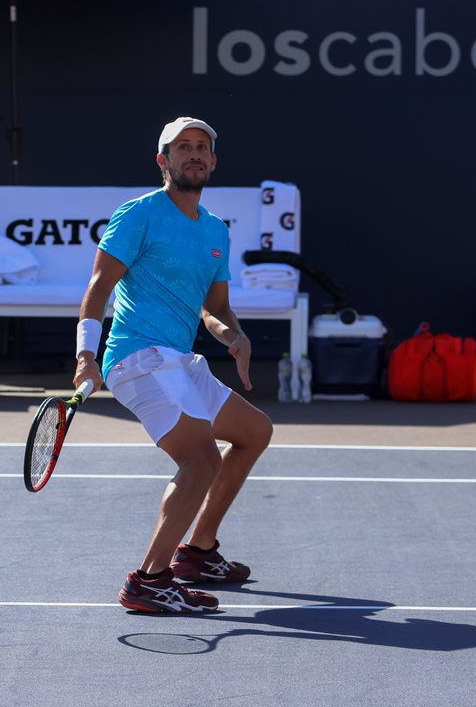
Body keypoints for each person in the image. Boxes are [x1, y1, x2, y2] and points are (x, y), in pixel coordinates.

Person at [73, 117, 273, 613]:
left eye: (202, 147)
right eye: (183, 147)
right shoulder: (138, 214)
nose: (194, 154)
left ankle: (198, 552)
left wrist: (234, 336)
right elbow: (99, 287)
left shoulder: (215, 230)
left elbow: (215, 308)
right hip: (137, 357)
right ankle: (149, 580)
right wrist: (85, 357)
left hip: (181, 361)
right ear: (163, 161)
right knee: (201, 461)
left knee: (255, 432)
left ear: (213, 161)